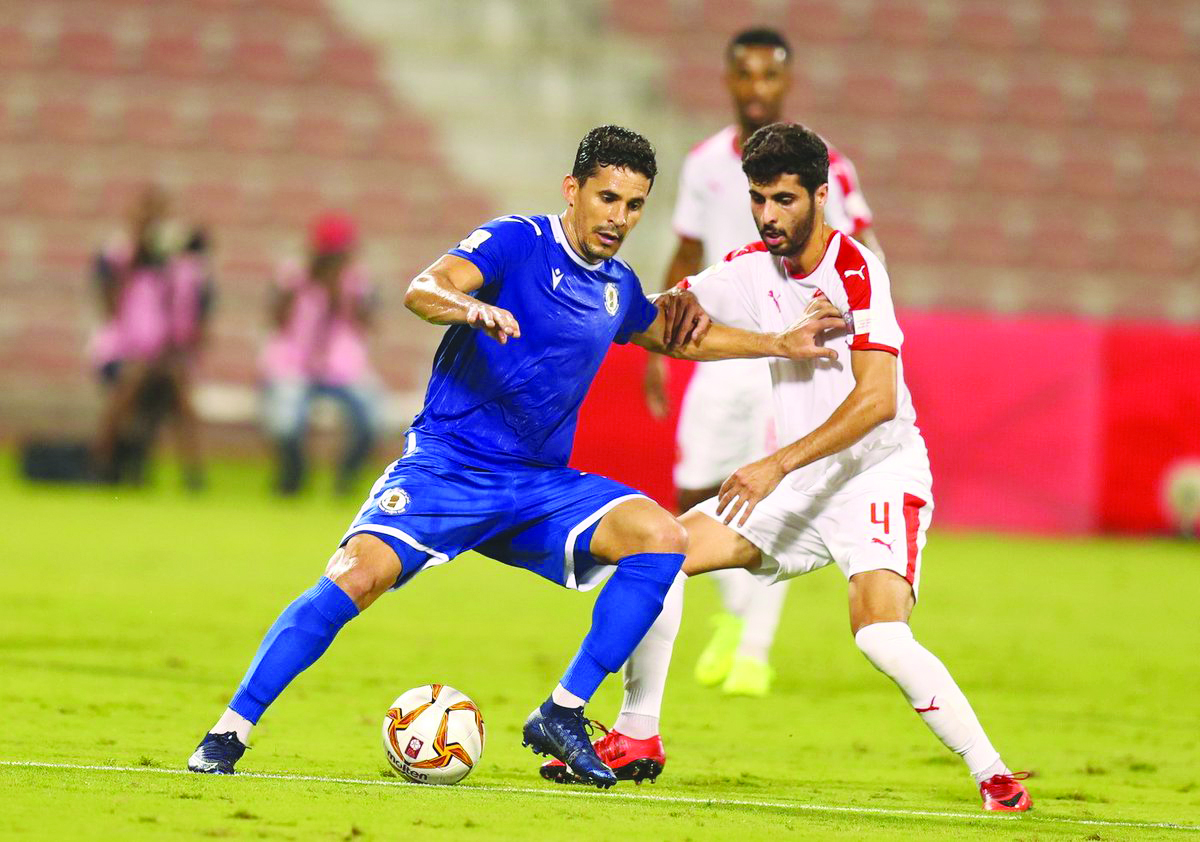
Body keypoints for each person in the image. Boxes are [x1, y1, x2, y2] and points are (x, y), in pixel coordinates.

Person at [186, 125, 845, 786]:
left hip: (538, 487)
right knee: (355, 579)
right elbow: (425, 287)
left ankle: (562, 711)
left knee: (661, 538)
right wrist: (471, 310)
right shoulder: (518, 241)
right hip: (448, 469)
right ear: (573, 189)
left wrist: (782, 344)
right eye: (608, 198)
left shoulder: (616, 284)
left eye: (634, 205)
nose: (619, 217)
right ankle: (228, 732)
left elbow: (673, 337)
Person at [541, 124, 1032, 813]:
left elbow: (876, 400)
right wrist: (640, 306)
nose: (769, 216)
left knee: (882, 636)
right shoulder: (750, 268)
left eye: (784, 199)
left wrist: (773, 463)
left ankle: (995, 776)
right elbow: (668, 314)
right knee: (659, 554)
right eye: (758, 199)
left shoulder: (857, 270)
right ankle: (637, 734)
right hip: (799, 483)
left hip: (874, 478)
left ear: (821, 196)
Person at [645, 27, 886, 698]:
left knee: (775, 494)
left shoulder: (826, 166)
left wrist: (862, 328)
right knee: (695, 496)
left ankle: (754, 650)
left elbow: (864, 248)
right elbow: (687, 253)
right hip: (723, 351)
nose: (757, 88)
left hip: (797, 358)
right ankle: (734, 616)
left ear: (787, 82)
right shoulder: (703, 164)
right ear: (728, 80)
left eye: (768, 76)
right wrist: (658, 348)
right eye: (745, 75)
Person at [90, 187, 212, 488]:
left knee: (181, 394)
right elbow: (110, 308)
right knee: (129, 384)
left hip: (167, 355)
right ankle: (100, 464)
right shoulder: (118, 257)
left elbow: (193, 318)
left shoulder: (182, 265)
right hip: (122, 352)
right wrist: (138, 258)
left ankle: (193, 477)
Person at [260, 213, 380, 495]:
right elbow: (277, 318)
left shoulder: (356, 281)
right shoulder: (294, 276)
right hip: (293, 364)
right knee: (286, 421)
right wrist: (304, 286)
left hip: (341, 367)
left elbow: (367, 323)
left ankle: (346, 477)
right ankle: (293, 476)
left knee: (372, 418)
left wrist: (340, 295)